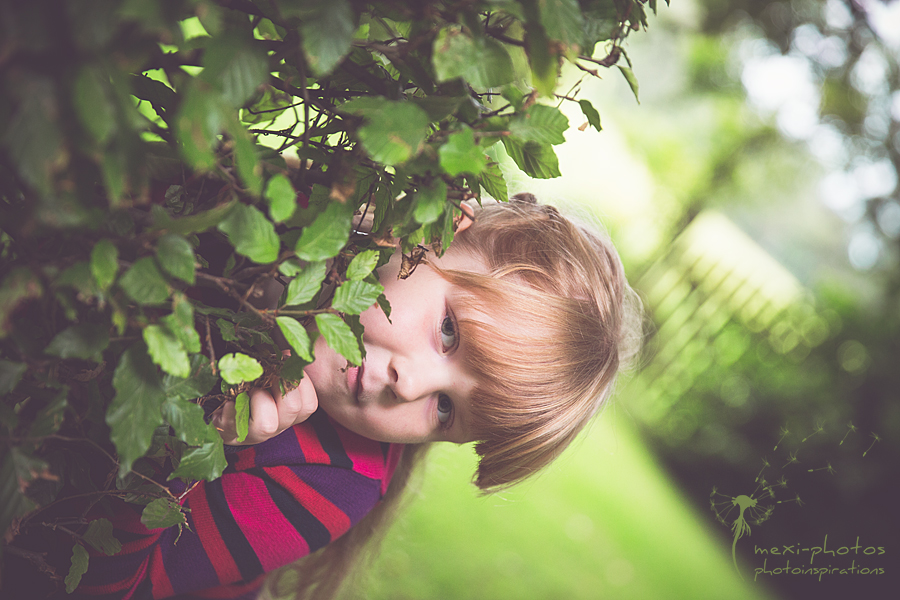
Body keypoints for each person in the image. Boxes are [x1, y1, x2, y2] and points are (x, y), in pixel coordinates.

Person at [6, 194, 642, 600]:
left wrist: (189, 437)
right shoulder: (293, 218)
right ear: (445, 228)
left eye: (447, 412)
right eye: (450, 331)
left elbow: (87, 584)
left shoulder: (331, 483)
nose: (411, 384)